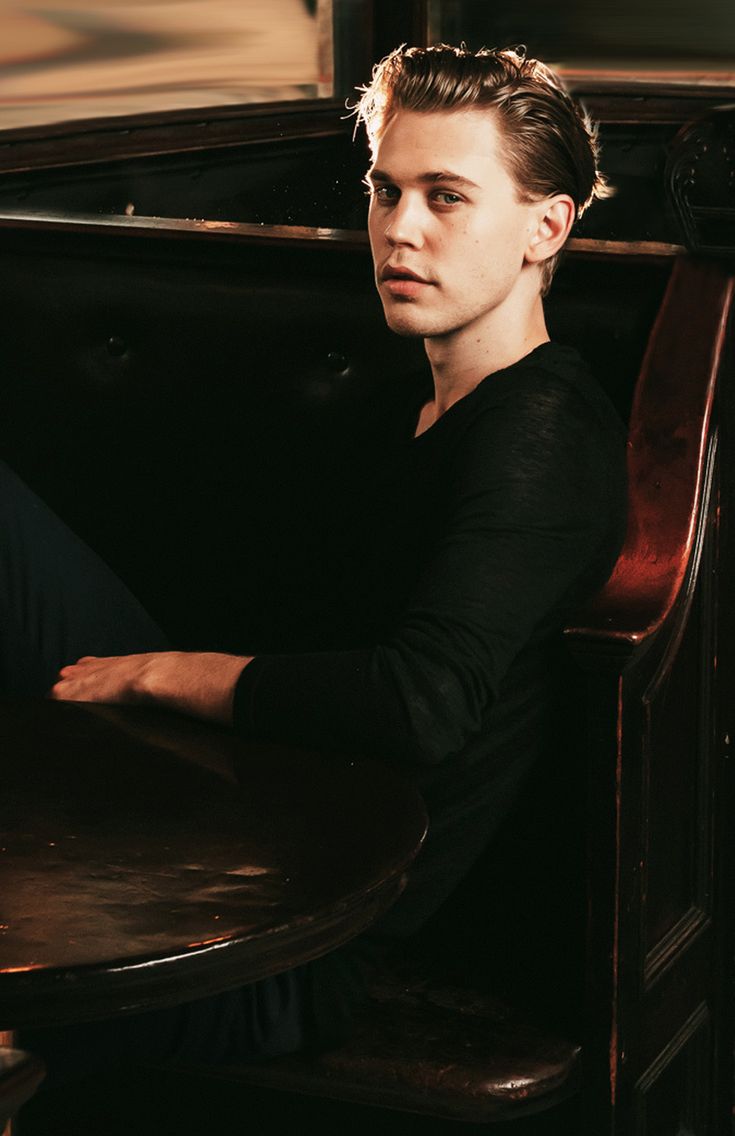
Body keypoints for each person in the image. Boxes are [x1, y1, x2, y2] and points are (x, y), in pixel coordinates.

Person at [6, 43, 626, 1075]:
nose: (400, 229)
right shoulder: (428, 399)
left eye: (446, 197)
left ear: (546, 226)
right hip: (238, 821)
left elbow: (420, 703)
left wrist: (173, 673)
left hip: (296, 941)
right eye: (386, 191)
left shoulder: (542, 439)